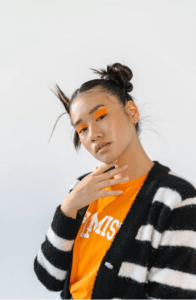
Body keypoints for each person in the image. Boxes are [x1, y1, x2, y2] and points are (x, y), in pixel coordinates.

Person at [34, 63, 196, 299]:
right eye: (81, 129)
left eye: (101, 116)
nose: (93, 135)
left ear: (131, 112)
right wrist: (67, 209)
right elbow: (49, 277)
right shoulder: (81, 190)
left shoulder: (175, 199)